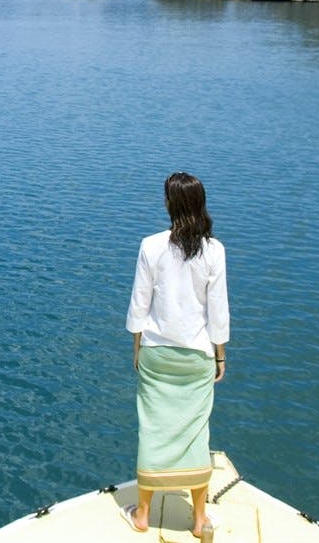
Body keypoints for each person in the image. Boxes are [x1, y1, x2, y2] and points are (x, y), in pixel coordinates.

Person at [120, 172, 230, 539]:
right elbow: (218, 312)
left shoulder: (150, 246)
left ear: (170, 205)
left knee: (152, 428)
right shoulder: (214, 251)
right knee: (196, 431)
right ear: (200, 205)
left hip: (156, 353)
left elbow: (139, 304)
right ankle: (199, 520)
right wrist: (220, 357)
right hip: (197, 355)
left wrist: (137, 349)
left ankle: (143, 514)